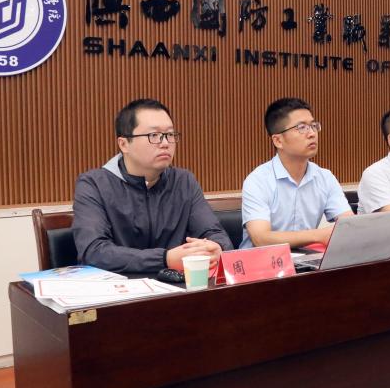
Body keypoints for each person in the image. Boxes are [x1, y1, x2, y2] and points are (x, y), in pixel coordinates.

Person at [72, 99, 232, 273]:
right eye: (153, 135)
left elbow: (215, 233)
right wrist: (165, 259)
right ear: (124, 144)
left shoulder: (184, 181)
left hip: (177, 285)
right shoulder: (94, 184)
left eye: (170, 134)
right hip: (121, 287)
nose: (165, 143)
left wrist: (217, 247)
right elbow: (94, 252)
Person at [241, 97, 353, 249]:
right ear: (278, 141)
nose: (312, 133)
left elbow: (349, 224)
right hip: (263, 262)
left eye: (313, 126)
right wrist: (318, 235)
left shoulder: (325, 177)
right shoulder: (258, 180)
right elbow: (261, 239)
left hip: (307, 260)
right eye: (302, 128)